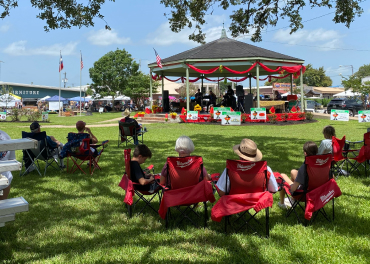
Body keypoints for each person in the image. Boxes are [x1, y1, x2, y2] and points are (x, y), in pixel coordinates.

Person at [278, 141, 318, 209]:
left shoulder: (305, 166)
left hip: (304, 193)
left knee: (282, 176)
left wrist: (290, 184)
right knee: (293, 172)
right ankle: (292, 200)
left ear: (305, 153)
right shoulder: (322, 163)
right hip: (318, 191)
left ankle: (282, 203)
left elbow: (293, 189)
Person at [0, 130, 16, 200]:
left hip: (4, 185)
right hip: (5, 182)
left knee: (2, 208)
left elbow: (12, 160)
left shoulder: (6, 137)